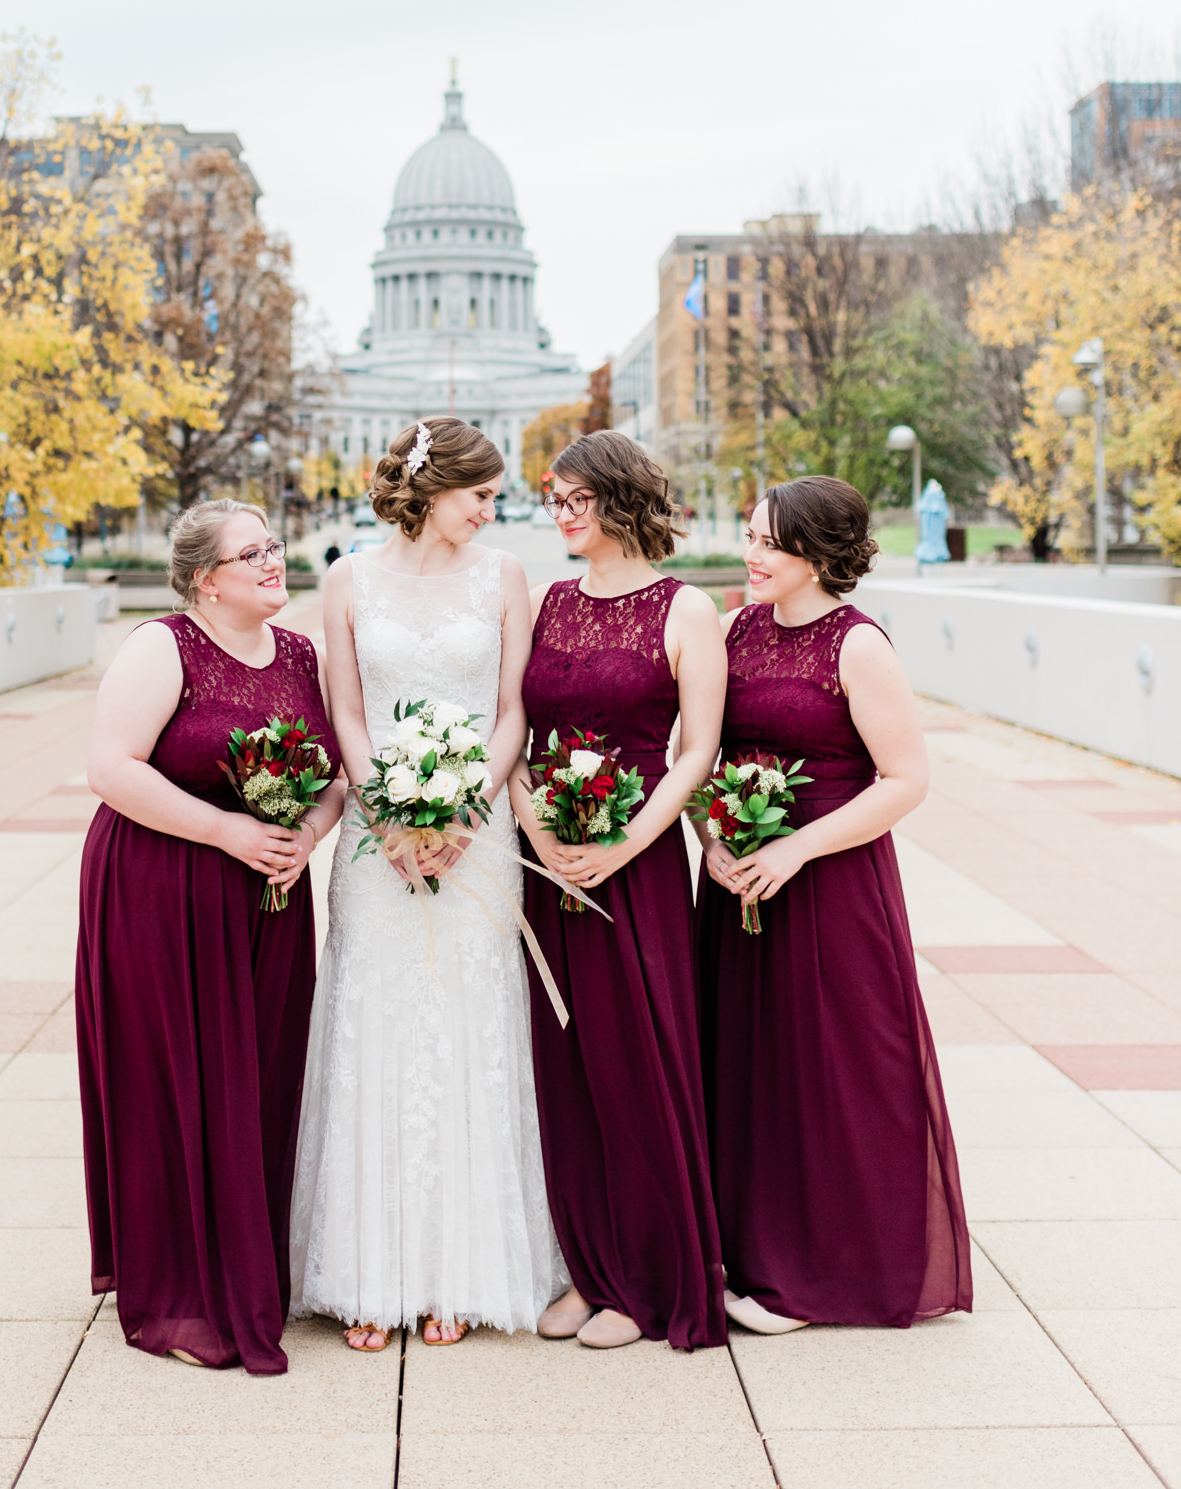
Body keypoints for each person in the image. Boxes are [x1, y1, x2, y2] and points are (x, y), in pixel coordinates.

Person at [291, 418, 564, 1351]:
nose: (493, 510)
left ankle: (458, 1270)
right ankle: (367, 1271)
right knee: (374, 1024)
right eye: (478, 494)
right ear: (428, 487)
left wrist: (460, 815)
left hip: (474, 837)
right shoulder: (347, 580)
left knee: (466, 1025)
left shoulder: (504, 576)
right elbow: (347, 713)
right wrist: (390, 813)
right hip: (378, 845)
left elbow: (513, 709)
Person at [696, 475, 973, 1332]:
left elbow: (907, 779)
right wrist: (714, 841)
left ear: (819, 552)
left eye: (770, 543)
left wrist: (795, 849)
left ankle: (830, 1274)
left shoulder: (857, 645)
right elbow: (703, 753)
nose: (751, 554)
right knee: (751, 1067)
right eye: (749, 536)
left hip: (831, 879)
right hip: (739, 876)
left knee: (838, 1070)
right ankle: (754, 1250)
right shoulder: (736, 630)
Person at [77, 500, 344, 1375]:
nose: (275, 562)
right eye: (253, 553)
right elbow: (111, 769)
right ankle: (182, 1291)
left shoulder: (302, 653)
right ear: (205, 579)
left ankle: (248, 1264)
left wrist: (306, 832)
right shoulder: (162, 646)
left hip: (268, 896)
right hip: (162, 886)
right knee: (178, 1075)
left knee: (260, 1075)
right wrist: (225, 831)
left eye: (274, 546)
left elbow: (336, 776)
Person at [512, 431, 727, 1351]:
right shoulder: (545, 601)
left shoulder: (688, 611)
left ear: (620, 498)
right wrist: (536, 827)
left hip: (633, 869)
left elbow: (698, 755)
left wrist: (629, 845)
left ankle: (647, 1280)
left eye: (575, 499)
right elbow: (511, 738)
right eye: (551, 499)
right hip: (545, 865)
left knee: (638, 1065)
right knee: (564, 1072)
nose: (559, 513)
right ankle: (586, 1268)